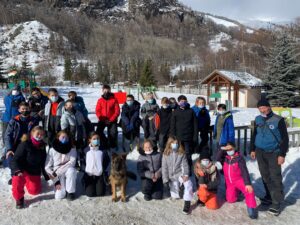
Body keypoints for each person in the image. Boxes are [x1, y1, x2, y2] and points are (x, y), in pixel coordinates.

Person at [250, 99, 289, 216]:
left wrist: (282, 154)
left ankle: (277, 202)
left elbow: (285, 139)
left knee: (275, 176)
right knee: (265, 175)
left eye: (264, 107)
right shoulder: (258, 119)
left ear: (269, 107)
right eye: (260, 108)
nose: (262, 110)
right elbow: (254, 134)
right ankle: (269, 196)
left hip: (274, 152)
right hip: (260, 151)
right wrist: (252, 149)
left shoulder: (278, 120)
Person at [10, 126, 48, 209]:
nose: (39, 136)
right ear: (32, 133)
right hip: (21, 169)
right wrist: (17, 170)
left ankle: (27, 180)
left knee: (34, 191)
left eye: (42, 134)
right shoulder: (25, 144)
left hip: (33, 171)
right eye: (38, 133)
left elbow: (43, 162)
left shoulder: (42, 146)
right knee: (17, 179)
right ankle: (19, 198)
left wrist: (46, 175)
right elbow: (15, 160)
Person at [4, 102, 39, 185]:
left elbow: (37, 133)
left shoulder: (33, 120)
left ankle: (27, 173)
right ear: (19, 110)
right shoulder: (14, 120)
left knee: (28, 159)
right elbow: (7, 135)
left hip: (28, 145)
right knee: (11, 158)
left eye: (26, 109)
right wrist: (9, 148)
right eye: (23, 109)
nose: (25, 110)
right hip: (15, 145)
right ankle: (14, 176)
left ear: (29, 109)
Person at [223, 143, 258, 219]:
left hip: (238, 180)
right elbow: (219, 152)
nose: (229, 151)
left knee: (249, 190)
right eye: (227, 149)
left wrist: (248, 183)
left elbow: (244, 171)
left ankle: (251, 209)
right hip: (230, 183)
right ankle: (237, 193)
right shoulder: (225, 157)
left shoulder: (239, 158)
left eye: (231, 149)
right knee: (230, 200)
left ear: (234, 148)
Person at [162, 137, 193, 214]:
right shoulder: (165, 154)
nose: (175, 145)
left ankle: (187, 202)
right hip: (171, 177)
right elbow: (164, 168)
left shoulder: (181, 153)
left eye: (176, 143)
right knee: (176, 196)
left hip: (179, 175)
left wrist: (185, 175)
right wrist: (165, 180)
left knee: (189, 183)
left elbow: (185, 166)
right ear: (169, 144)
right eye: (173, 143)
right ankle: (180, 189)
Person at [45, 131, 77, 200]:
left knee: (72, 171)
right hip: (56, 173)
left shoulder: (72, 149)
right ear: (58, 137)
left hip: (67, 169)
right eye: (63, 137)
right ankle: (62, 186)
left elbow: (72, 162)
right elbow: (47, 166)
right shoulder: (52, 150)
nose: (65, 139)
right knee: (59, 196)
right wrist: (54, 177)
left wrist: (58, 172)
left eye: (66, 137)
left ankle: (70, 192)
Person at [170, 95, 198, 170]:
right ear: (178, 102)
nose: (183, 102)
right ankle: (178, 167)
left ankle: (188, 167)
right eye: (181, 101)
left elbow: (195, 125)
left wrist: (195, 136)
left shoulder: (191, 111)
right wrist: (173, 136)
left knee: (188, 153)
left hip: (188, 137)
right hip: (178, 137)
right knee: (177, 153)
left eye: (184, 101)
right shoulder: (175, 112)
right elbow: (172, 125)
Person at [0, 85, 25, 166]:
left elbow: (23, 106)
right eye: (14, 89)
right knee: (5, 135)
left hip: (16, 119)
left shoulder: (21, 98)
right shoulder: (7, 97)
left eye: (17, 89)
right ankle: (5, 152)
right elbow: (6, 103)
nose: (15, 90)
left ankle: (13, 151)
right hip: (6, 118)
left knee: (14, 135)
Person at [82, 132, 110, 197]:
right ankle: (85, 182)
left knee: (100, 193)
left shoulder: (103, 150)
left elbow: (107, 162)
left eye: (98, 138)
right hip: (89, 175)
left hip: (99, 175)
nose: (96, 140)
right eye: (94, 139)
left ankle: (101, 184)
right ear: (90, 140)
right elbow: (83, 162)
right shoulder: (86, 150)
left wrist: (105, 172)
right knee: (90, 194)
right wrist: (85, 171)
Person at [61, 100, 86, 167]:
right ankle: (75, 164)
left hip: (79, 136)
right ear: (65, 107)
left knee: (81, 150)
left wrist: (84, 135)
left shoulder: (79, 113)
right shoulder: (65, 115)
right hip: (71, 138)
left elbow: (83, 125)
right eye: (68, 105)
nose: (70, 106)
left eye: (71, 105)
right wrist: (67, 138)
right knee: (73, 152)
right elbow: (64, 129)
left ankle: (82, 163)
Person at [95, 85, 120, 150]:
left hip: (112, 120)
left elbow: (117, 111)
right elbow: (97, 111)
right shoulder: (100, 100)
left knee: (113, 133)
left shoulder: (114, 99)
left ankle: (112, 146)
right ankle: (105, 141)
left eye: (108, 90)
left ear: (110, 90)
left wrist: (111, 119)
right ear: (102, 91)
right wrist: (102, 119)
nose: (106, 91)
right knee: (98, 132)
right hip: (102, 119)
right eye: (105, 90)